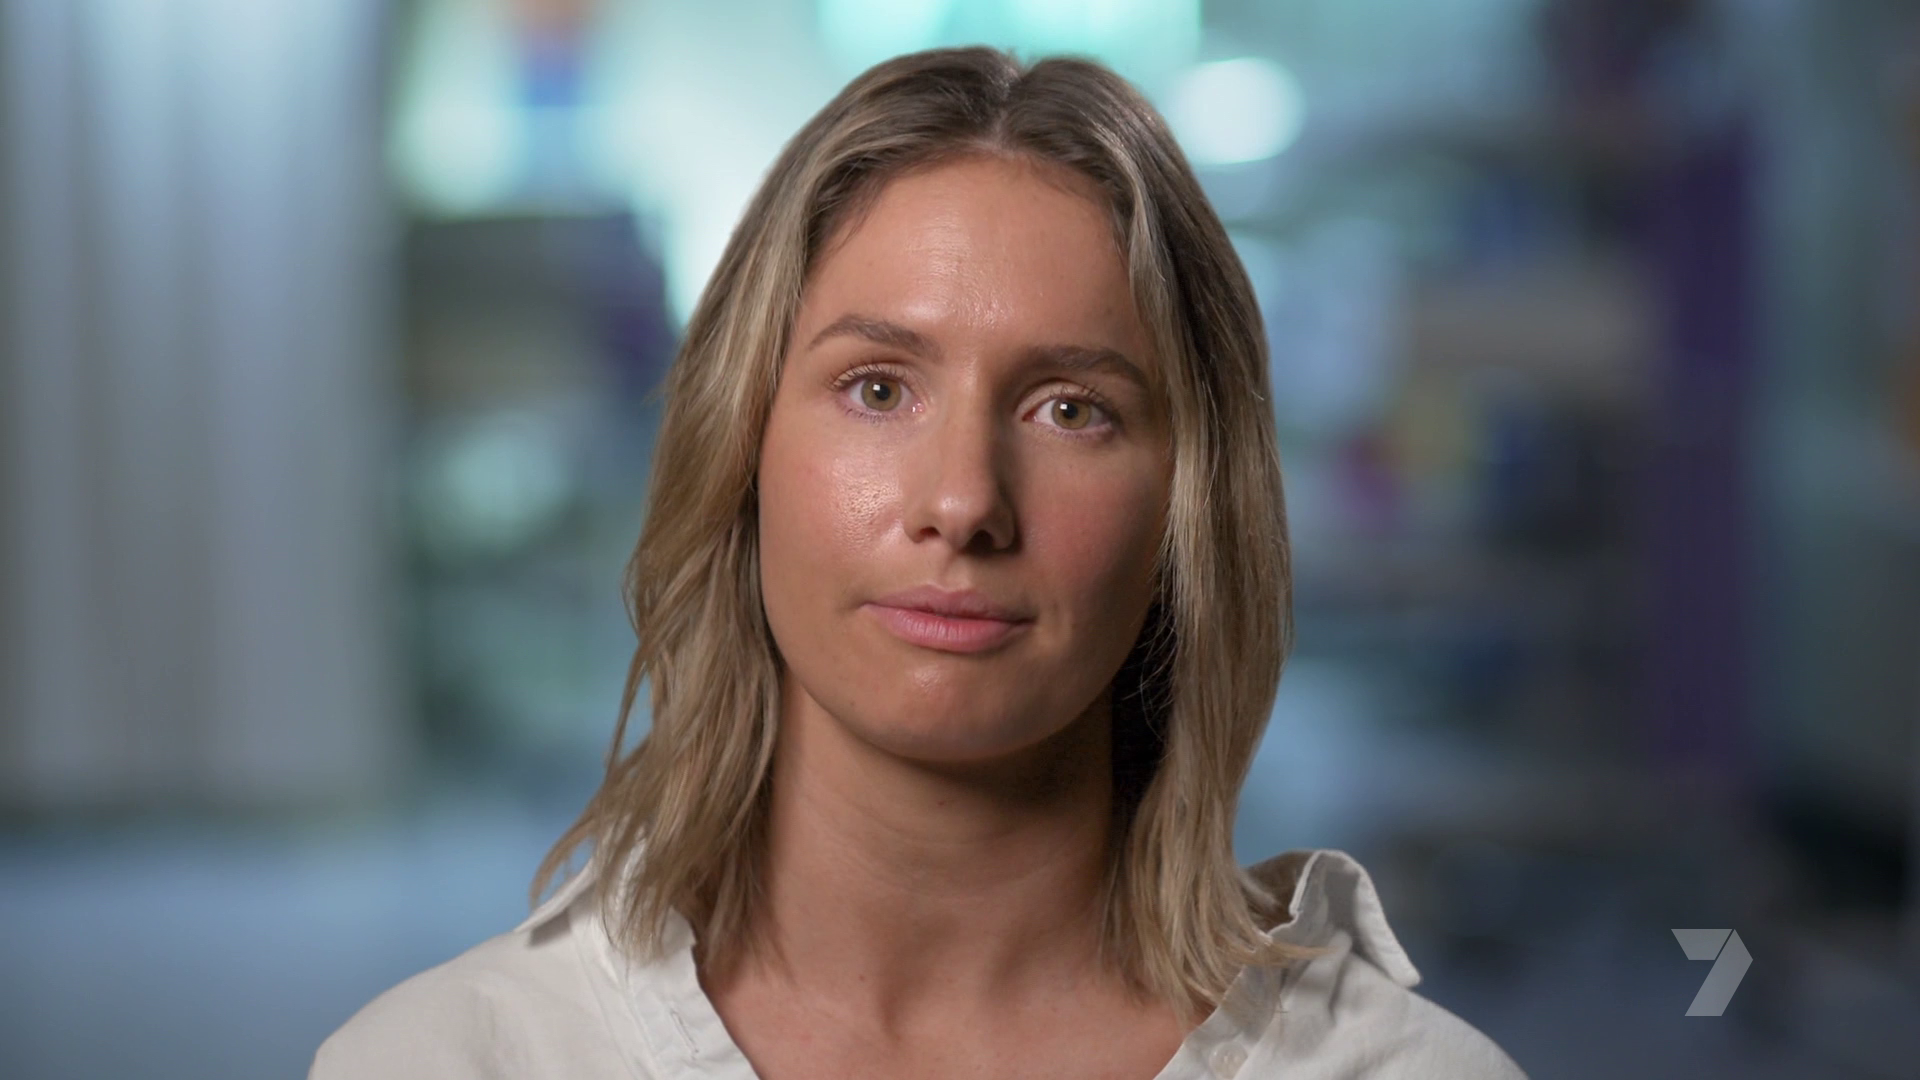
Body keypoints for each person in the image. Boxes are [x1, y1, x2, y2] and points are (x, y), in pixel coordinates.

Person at [311, 46, 1529, 1080]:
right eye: (878, 388)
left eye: (1071, 409)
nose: (963, 503)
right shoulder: (446, 1060)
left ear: (1189, 510)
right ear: (742, 452)